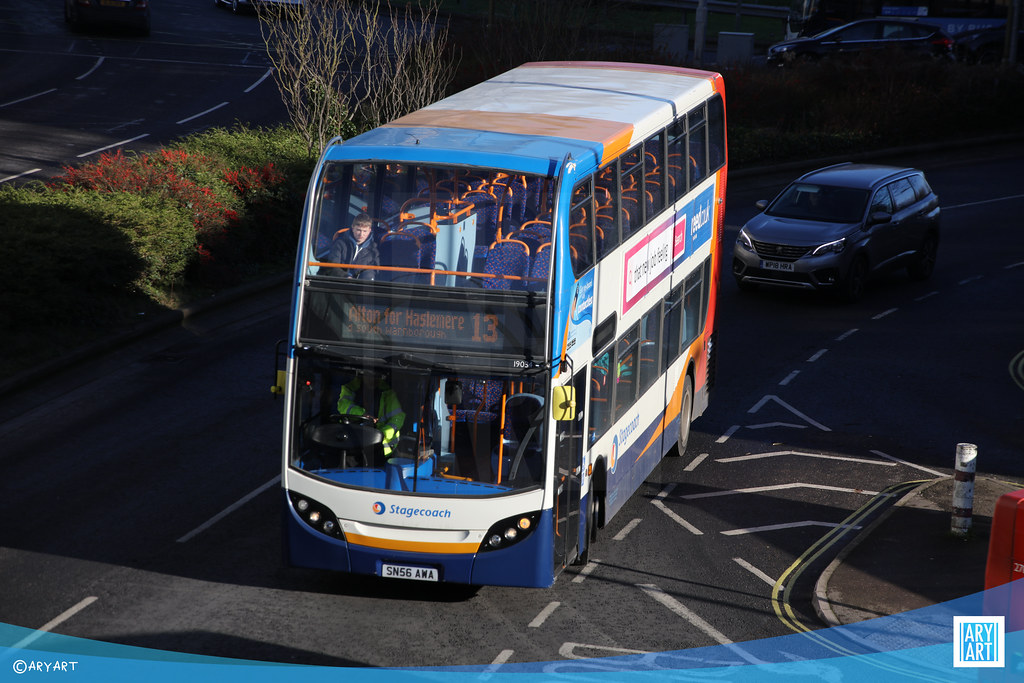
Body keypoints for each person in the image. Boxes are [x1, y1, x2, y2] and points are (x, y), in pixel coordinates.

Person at [337, 374, 405, 456]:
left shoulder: (388, 393)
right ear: (362, 375)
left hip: (381, 448)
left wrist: (381, 435)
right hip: (351, 442)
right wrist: (363, 414)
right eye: (369, 375)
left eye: (376, 376)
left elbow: (398, 418)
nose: (373, 380)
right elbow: (343, 406)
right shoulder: (349, 388)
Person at [328, 213, 379, 279]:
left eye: (365, 231)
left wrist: (365, 283)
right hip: (339, 281)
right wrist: (346, 277)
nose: (361, 234)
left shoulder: (373, 250)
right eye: (358, 230)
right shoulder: (340, 243)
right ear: (352, 228)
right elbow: (333, 265)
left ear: (369, 231)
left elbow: (371, 271)